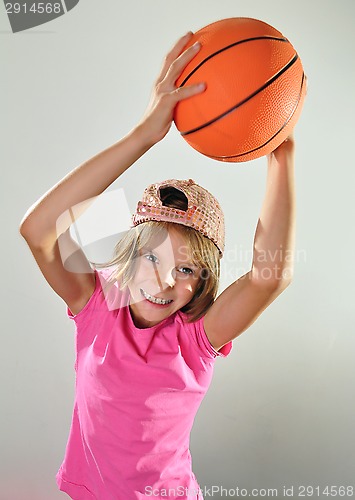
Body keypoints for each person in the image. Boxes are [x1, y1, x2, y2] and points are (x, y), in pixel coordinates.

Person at [19, 31, 296, 500]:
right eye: (152, 256)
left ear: (203, 284)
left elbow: (271, 276)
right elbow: (38, 230)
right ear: (129, 254)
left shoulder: (195, 339)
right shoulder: (96, 306)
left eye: (187, 271)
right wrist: (145, 134)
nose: (165, 278)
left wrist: (281, 153)